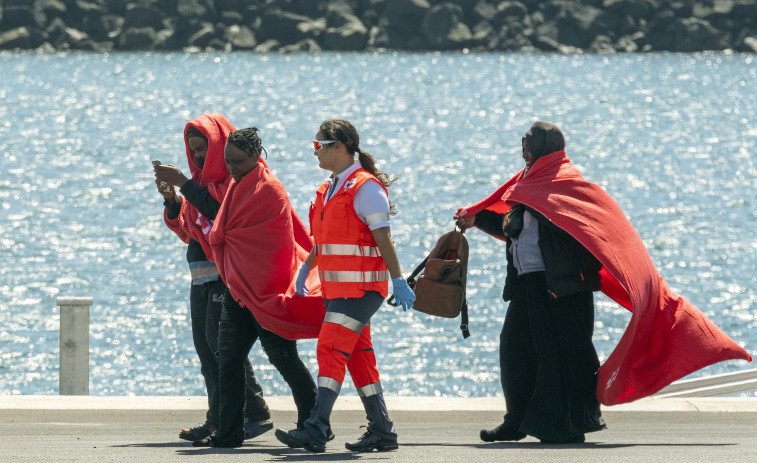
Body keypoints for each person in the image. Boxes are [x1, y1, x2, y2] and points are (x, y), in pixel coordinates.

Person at [454, 121, 751, 443]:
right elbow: (515, 228)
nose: (522, 147)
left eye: (528, 142)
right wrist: (479, 218)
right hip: (527, 284)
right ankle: (516, 420)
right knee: (515, 350)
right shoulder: (527, 186)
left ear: (545, 146)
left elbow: (593, 231)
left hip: (562, 288)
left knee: (559, 356)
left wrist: (550, 213)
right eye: (522, 141)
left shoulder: (565, 185)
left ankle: (560, 425)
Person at [275, 119, 416, 453]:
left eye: (318, 144)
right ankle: (382, 430)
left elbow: (384, 240)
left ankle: (316, 427)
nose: (314, 151)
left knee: (329, 349)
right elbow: (326, 242)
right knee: (358, 357)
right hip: (338, 291)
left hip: (362, 291)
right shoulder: (330, 187)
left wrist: (399, 280)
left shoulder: (365, 188)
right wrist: (305, 268)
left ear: (338, 147)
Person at [196, 126, 328, 448]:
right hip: (238, 293)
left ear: (256, 156)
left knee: (283, 358)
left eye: (238, 162)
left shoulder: (271, 190)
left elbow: (273, 246)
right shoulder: (236, 187)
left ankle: (314, 425)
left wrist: (227, 243)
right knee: (227, 359)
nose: (232, 169)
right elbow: (225, 234)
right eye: (227, 162)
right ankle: (228, 432)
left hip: (268, 294)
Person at [154, 113, 273, 443]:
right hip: (201, 279)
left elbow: (219, 214)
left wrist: (185, 185)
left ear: (220, 145)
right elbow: (187, 230)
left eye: (202, 148)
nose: (197, 156)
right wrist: (172, 200)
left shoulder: (234, 183)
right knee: (208, 353)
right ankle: (217, 418)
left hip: (226, 278)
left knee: (225, 351)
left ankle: (254, 413)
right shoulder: (199, 186)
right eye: (192, 150)